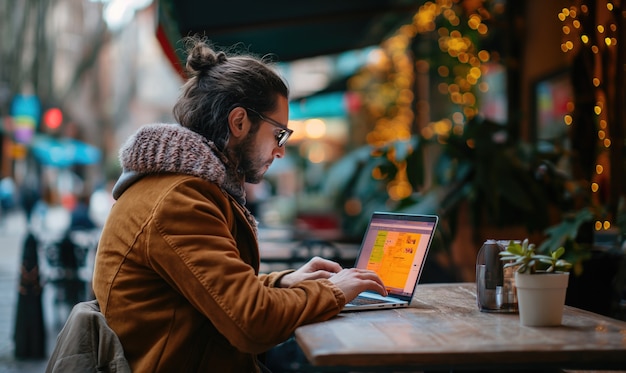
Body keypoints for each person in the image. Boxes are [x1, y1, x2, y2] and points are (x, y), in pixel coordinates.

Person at [91, 36, 387, 373]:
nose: (280, 151)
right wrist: (333, 292)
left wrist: (284, 282)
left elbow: (209, 296)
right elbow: (251, 322)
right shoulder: (178, 201)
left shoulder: (181, 188)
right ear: (239, 122)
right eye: (279, 135)